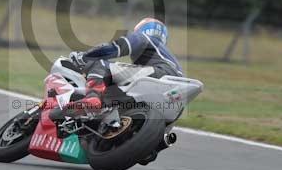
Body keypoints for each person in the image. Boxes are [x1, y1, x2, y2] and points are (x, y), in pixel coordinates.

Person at [49, 17, 183, 123]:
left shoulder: (145, 38)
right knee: (111, 95)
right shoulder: (167, 56)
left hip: (159, 73)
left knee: (99, 62)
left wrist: (84, 56)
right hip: (176, 90)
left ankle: (92, 97)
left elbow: (116, 48)